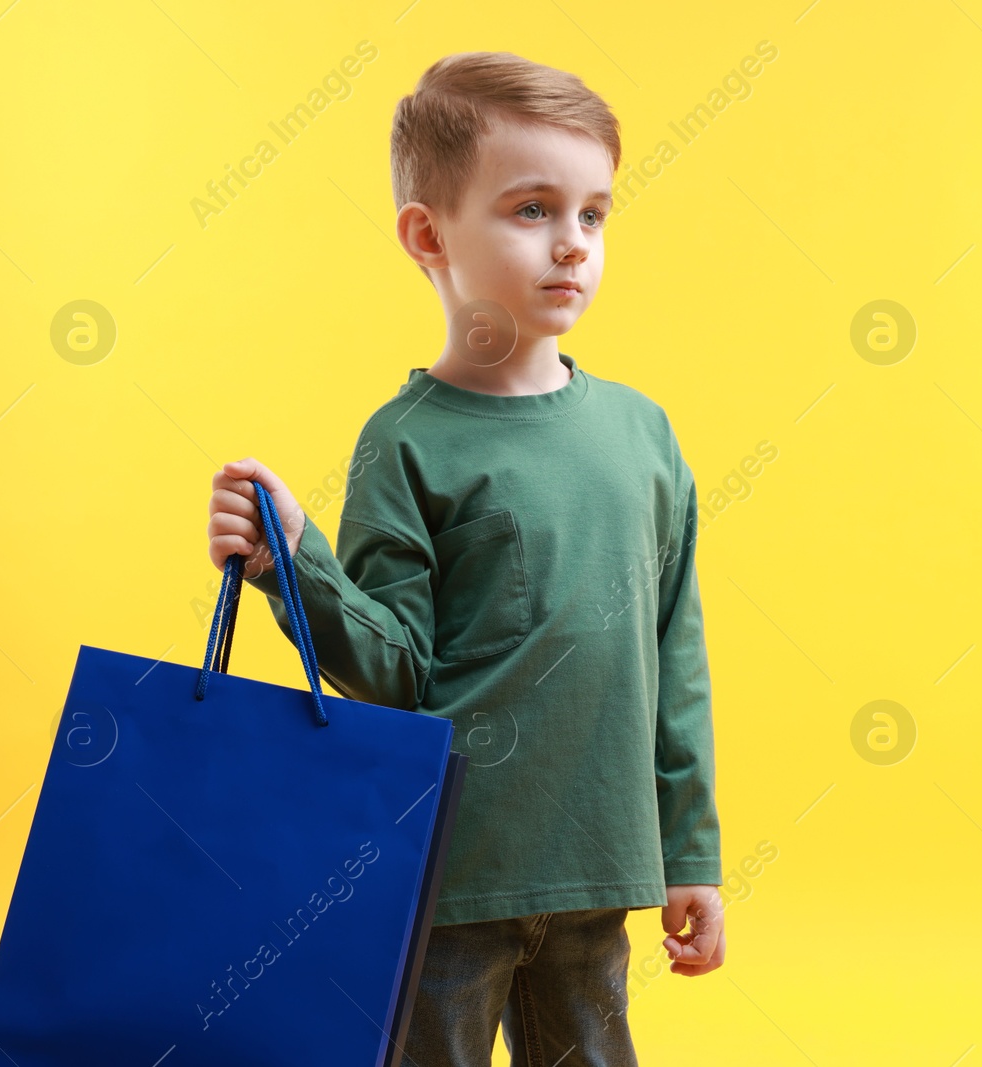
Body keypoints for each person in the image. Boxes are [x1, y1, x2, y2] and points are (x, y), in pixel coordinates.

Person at [203, 51, 723, 1066]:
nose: (572, 244)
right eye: (532, 209)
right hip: (451, 873)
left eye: (593, 214)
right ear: (428, 234)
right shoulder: (405, 442)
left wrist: (689, 848)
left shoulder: (643, 434)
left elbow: (678, 656)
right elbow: (396, 666)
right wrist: (293, 563)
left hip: (599, 867)